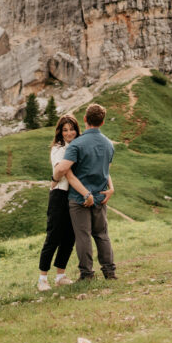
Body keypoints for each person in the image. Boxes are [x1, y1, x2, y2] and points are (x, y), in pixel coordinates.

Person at [53, 103, 116, 281]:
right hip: (100, 196)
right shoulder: (109, 144)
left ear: (85, 119)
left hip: (79, 198)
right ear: (102, 122)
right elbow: (106, 170)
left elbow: (62, 169)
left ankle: (87, 274)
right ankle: (109, 271)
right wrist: (111, 188)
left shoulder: (76, 144)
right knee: (102, 234)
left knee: (83, 236)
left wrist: (54, 178)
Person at [35, 114, 88, 291]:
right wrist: (54, 179)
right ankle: (42, 278)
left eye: (72, 129)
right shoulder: (58, 148)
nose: (69, 133)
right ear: (60, 132)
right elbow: (60, 170)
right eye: (65, 130)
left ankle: (60, 276)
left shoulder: (79, 145)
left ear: (77, 130)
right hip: (59, 194)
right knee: (53, 236)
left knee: (70, 236)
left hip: (73, 195)